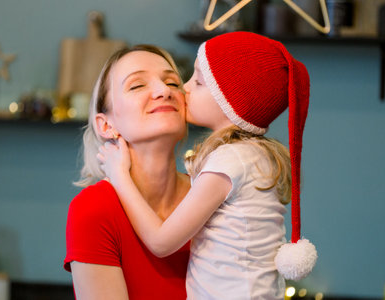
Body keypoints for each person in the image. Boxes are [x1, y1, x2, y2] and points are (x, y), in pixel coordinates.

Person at [98, 32, 317, 299]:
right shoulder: (254, 156)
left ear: (231, 103)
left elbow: (161, 242)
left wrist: (119, 175)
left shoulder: (229, 161)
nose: (183, 88)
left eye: (198, 81)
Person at [63, 44, 192, 300]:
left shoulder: (213, 197)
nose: (164, 90)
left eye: (173, 83)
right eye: (137, 85)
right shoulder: (93, 210)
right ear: (106, 124)